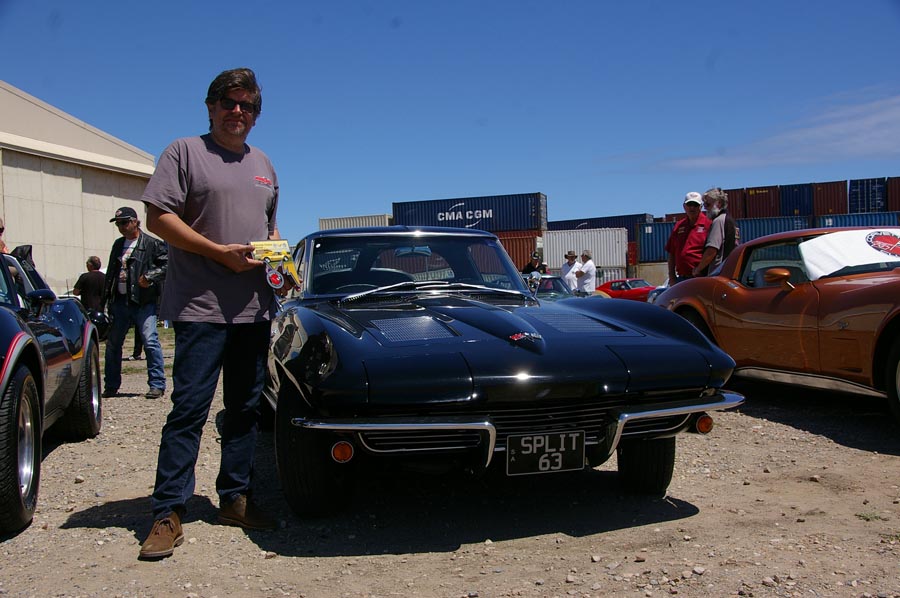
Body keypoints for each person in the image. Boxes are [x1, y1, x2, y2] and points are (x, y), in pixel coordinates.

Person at [138, 67, 285, 560]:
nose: (237, 111)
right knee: (189, 409)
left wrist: (279, 266)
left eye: (247, 105)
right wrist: (218, 253)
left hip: (253, 310)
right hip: (200, 308)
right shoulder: (184, 153)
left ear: (256, 114)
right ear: (211, 107)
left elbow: (268, 228)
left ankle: (235, 498)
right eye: (229, 102)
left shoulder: (264, 164)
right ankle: (168, 511)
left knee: (244, 410)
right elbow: (158, 217)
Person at [101, 206, 168, 400]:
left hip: (143, 301)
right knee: (113, 344)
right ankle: (111, 385)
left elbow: (167, 264)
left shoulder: (152, 243)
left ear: (135, 222)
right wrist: (106, 300)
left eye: (124, 223)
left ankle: (157, 384)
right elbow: (111, 273)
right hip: (120, 301)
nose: (121, 227)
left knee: (150, 341)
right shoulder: (118, 244)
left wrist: (149, 276)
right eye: (118, 224)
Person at [665, 192, 712, 285]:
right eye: (689, 204)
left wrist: (699, 269)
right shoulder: (679, 226)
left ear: (701, 206)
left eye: (695, 205)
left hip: (701, 278)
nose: (692, 208)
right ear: (684, 206)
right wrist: (672, 276)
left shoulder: (708, 224)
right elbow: (671, 253)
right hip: (681, 279)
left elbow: (712, 251)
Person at [693, 187, 737, 277]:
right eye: (704, 204)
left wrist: (698, 269)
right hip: (729, 271)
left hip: (718, 273)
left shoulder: (719, 221)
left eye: (708, 204)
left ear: (719, 203)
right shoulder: (730, 220)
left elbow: (711, 250)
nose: (705, 208)